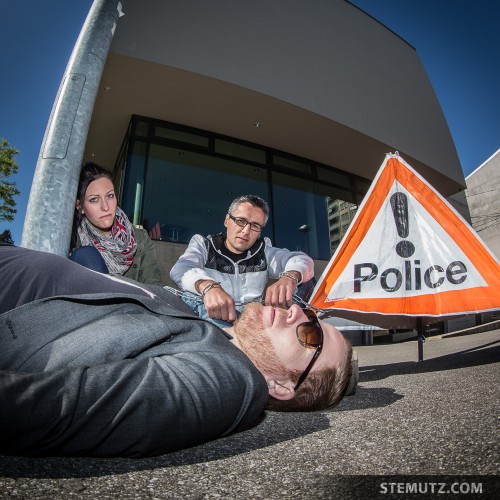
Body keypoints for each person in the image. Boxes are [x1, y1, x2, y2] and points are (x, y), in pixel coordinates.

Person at [0, 245, 352, 458]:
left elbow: (58, 406)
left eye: (310, 336)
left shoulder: (231, 380)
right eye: (310, 314)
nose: (297, 312)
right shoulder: (213, 330)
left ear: (280, 387)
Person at [170, 194, 316, 327]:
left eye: (255, 226)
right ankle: (232, 339)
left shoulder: (264, 251)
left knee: (304, 278)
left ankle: (288, 329)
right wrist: (209, 287)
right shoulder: (205, 245)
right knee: (189, 295)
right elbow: (181, 269)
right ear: (227, 220)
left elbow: (301, 259)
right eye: (241, 221)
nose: (246, 231)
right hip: (217, 318)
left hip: (253, 321)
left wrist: (289, 277)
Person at [69, 162, 164, 286]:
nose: (105, 207)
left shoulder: (140, 238)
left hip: (134, 303)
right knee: (86, 255)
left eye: (109, 196)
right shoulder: (71, 242)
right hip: (93, 302)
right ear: (80, 206)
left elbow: (153, 285)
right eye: (94, 200)